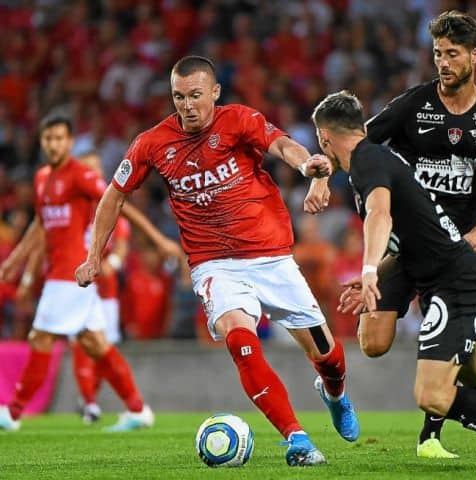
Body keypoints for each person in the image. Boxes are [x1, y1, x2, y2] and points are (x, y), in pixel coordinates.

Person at [75, 55, 359, 467]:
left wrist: (305, 165)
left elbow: (280, 143)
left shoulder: (239, 119)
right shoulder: (152, 142)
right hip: (215, 264)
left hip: (271, 257)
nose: (187, 105)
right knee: (240, 342)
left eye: (194, 95)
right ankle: (296, 438)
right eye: (178, 97)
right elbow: (114, 194)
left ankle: (333, 394)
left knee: (329, 357)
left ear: (214, 92)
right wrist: (92, 256)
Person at [312, 89, 476, 473]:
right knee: (474, 372)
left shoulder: (367, 161)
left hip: (456, 282)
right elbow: (409, 240)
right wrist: (376, 277)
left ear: (324, 139)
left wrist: (367, 268)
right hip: (440, 276)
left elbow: (380, 214)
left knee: (431, 394)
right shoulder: (376, 157)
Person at [318, 10, 476, 462]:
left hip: (451, 251)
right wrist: (320, 173)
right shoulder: (413, 104)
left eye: (452, 54)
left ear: (474, 57)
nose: (443, 62)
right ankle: (442, 428)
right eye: (437, 54)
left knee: (467, 364)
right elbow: (357, 143)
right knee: (372, 341)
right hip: (403, 245)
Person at [0, 116, 162, 432]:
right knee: (94, 343)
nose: (53, 144)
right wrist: (15, 261)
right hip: (61, 274)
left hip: (70, 274)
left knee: (41, 337)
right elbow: (40, 224)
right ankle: (138, 409)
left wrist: (156, 239)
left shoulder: (80, 175)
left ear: (70, 141)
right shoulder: (42, 178)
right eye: (48, 138)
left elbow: (115, 201)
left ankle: (13, 412)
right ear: (42, 141)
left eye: (60, 138)